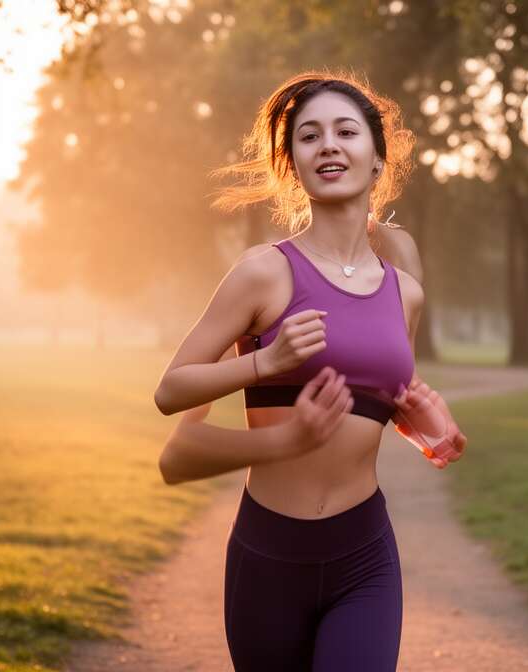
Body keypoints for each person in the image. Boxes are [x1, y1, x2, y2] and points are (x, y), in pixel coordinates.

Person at [152, 71, 466, 671]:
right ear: (292, 163)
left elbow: (381, 395)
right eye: (308, 136)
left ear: (377, 159)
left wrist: (422, 420)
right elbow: (172, 403)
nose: (328, 145)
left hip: (364, 554)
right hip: (269, 557)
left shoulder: (405, 292)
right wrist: (267, 365)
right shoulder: (263, 273)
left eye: (346, 132)